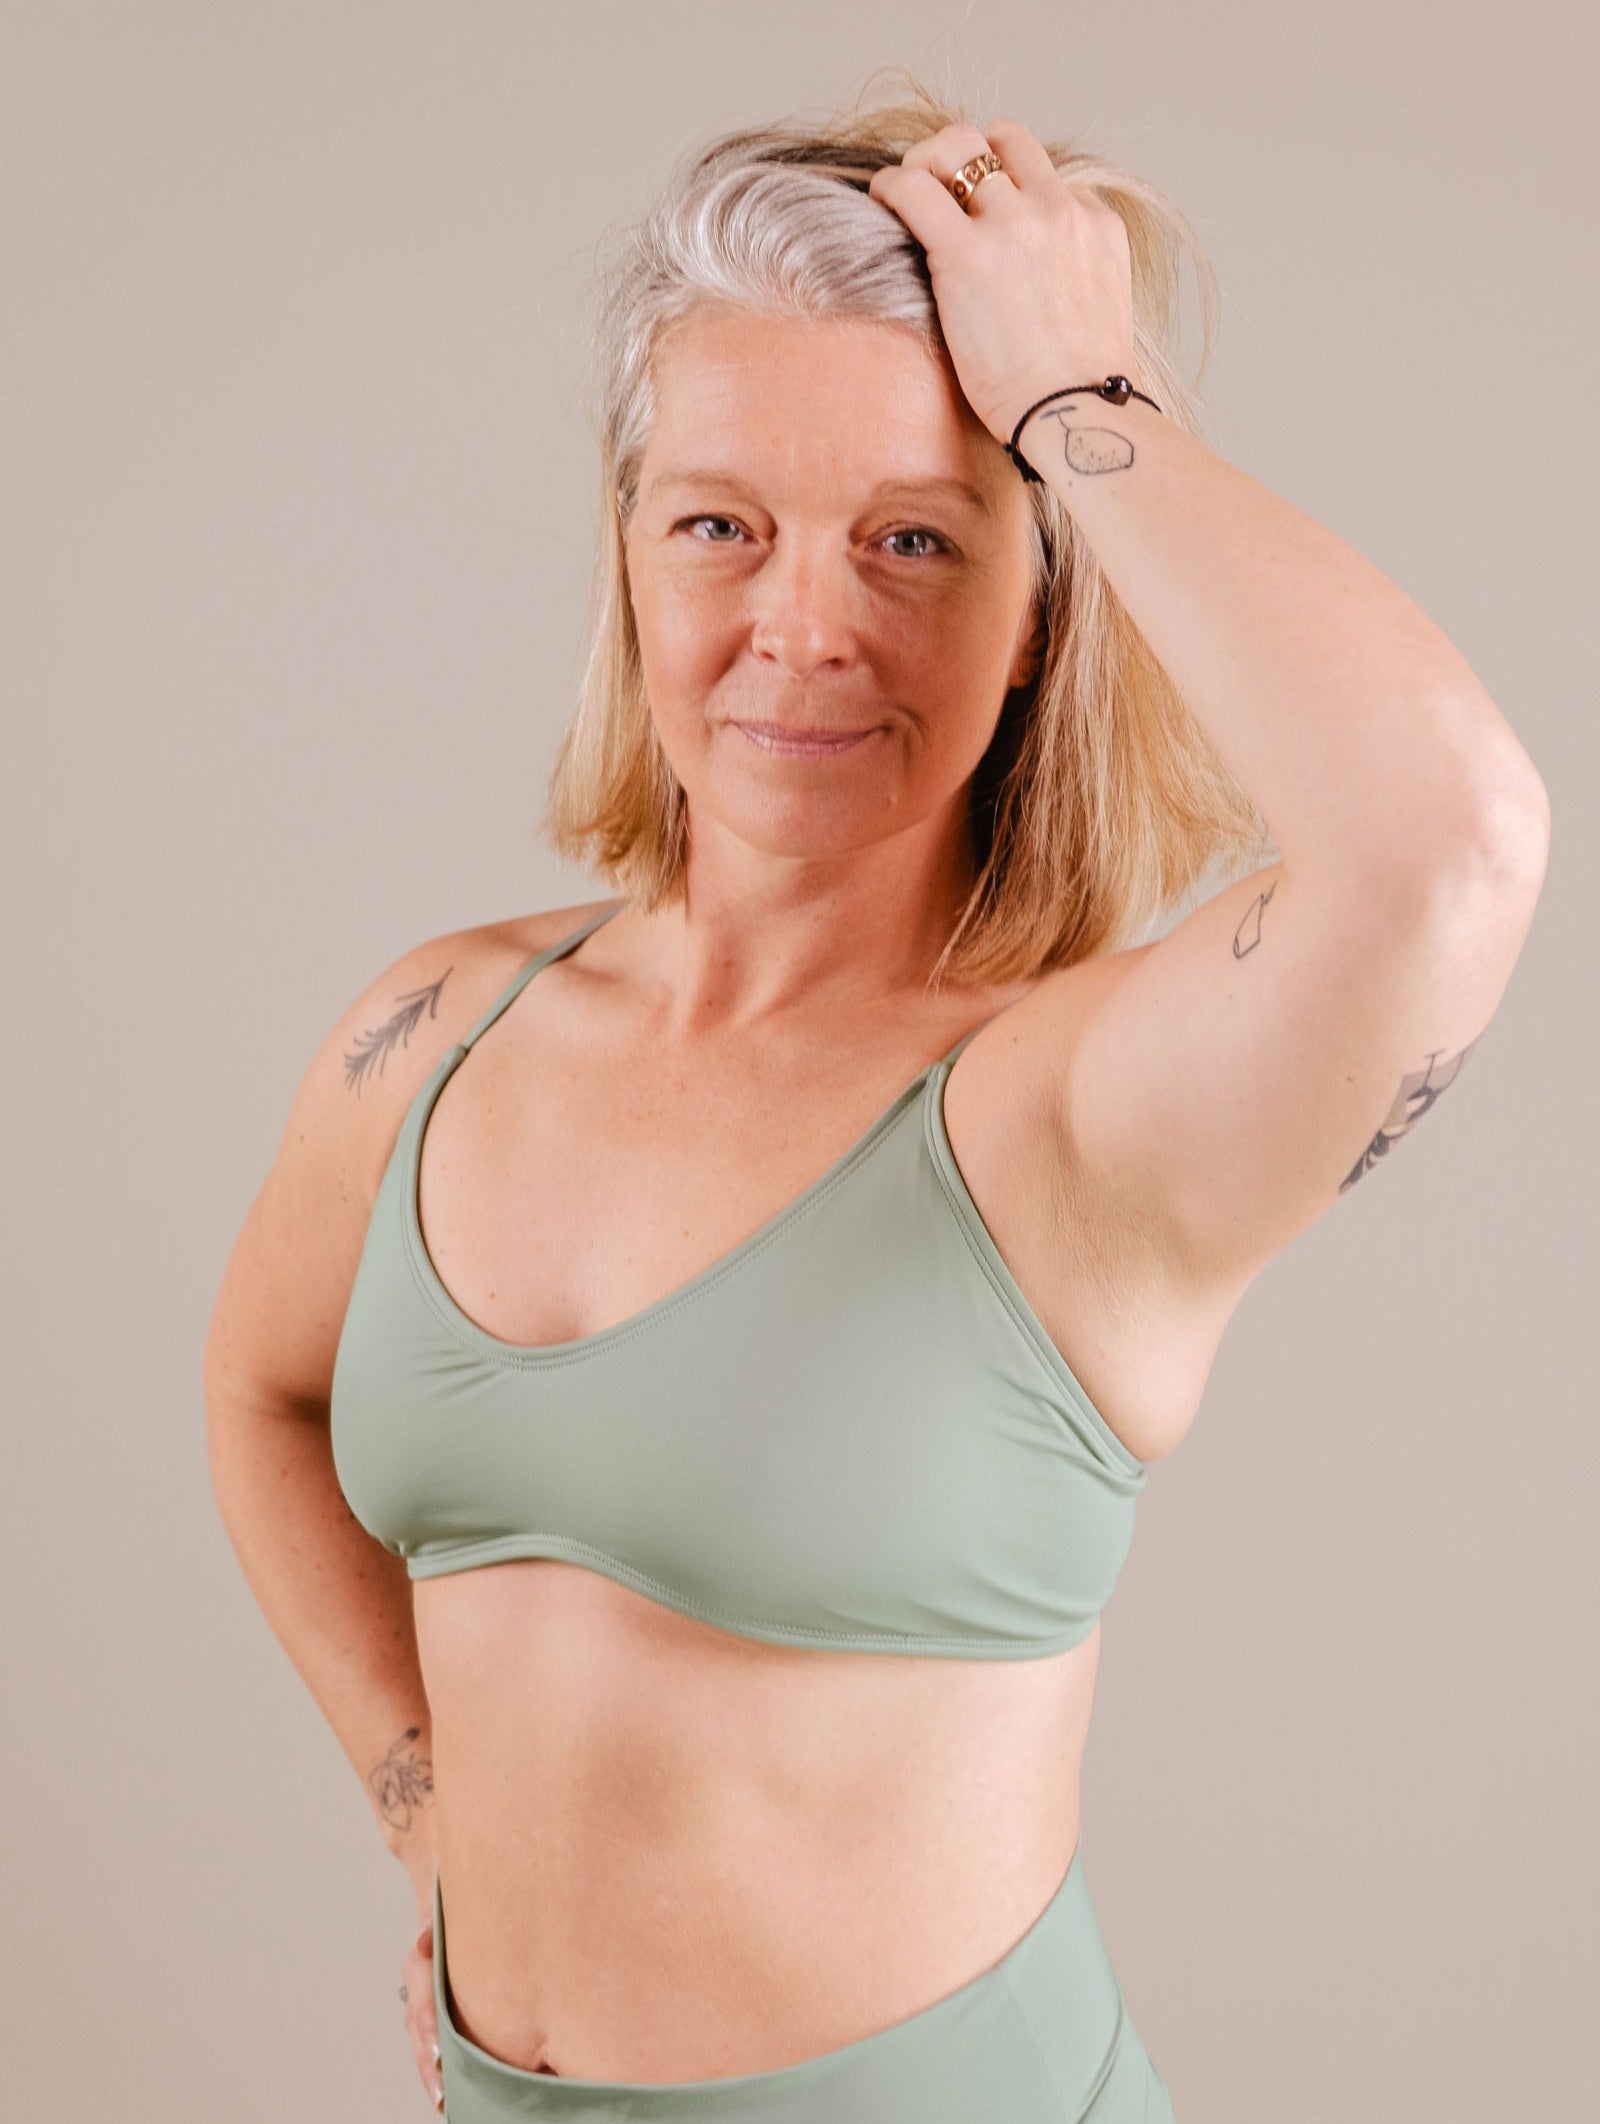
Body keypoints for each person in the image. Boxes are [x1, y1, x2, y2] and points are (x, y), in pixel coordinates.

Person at [203, 69, 1549, 2124]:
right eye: (719, 526)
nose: (802, 629)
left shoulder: (1076, 1120)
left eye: (915, 539)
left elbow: (1441, 838)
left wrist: (1076, 388)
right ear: (633, 563)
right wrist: (423, 1801)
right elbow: (262, 1395)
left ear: (1035, 612)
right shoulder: (436, 1031)